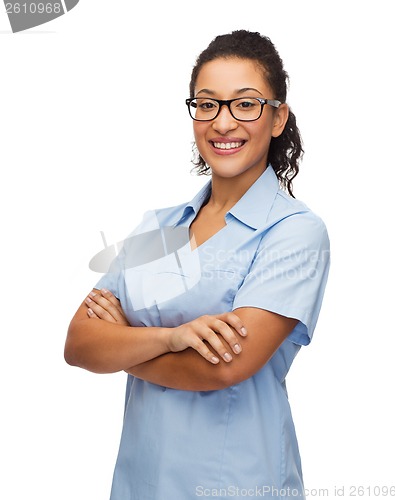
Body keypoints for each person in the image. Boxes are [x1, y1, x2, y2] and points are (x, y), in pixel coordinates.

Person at [65, 30, 330, 500]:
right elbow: (80, 343)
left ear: (277, 118)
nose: (222, 123)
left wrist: (125, 342)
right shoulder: (160, 228)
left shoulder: (294, 232)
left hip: (238, 482)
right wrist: (172, 337)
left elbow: (225, 367)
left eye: (245, 104)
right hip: (139, 483)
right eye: (207, 104)